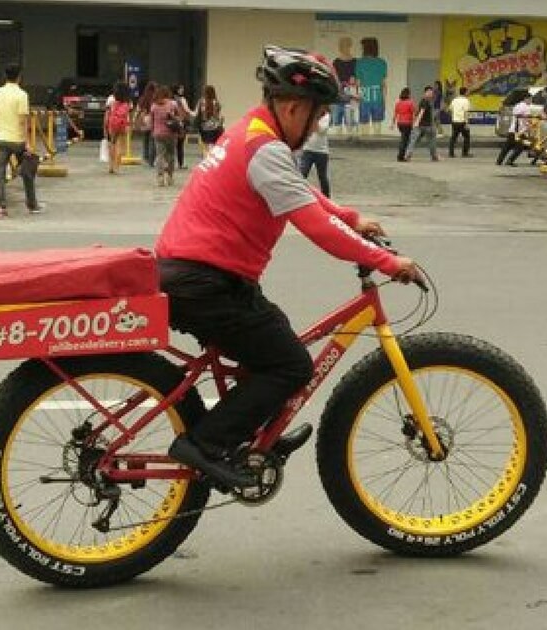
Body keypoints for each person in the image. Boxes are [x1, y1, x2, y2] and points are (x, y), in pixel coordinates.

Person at [156, 45, 423, 489]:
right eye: (318, 115)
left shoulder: (252, 130)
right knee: (291, 366)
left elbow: (297, 191)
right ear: (294, 106)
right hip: (206, 283)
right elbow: (318, 229)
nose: (319, 124)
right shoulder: (266, 148)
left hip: (202, 274)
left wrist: (350, 215)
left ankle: (255, 436)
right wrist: (387, 261)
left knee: (277, 336)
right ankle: (204, 444)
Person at [0, 62, 41, 218]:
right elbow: (23, 121)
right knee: (27, 171)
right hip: (17, 140)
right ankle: (32, 205)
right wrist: (28, 142)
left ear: (5, 76)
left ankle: (0, 207)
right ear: (19, 77)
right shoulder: (22, 95)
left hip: (0, 138)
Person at [150, 85, 181, 186]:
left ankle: (160, 177)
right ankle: (170, 176)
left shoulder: (154, 106)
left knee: (160, 155)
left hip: (158, 134)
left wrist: (152, 130)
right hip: (171, 134)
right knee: (171, 155)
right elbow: (179, 116)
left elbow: (152, 120)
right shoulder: (173, 104)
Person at [299, 110, 331, 196]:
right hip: (308, 149)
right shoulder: (309, 114)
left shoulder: (326, 116)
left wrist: (313, 121)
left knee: (322, 177)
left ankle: (327, 197)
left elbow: (322, 130)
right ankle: (298, 195)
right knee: (302, 173)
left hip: (321, 151)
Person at [404, 85, 439, 162]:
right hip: (421, 125)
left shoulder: (429, 101)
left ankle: (434, 157)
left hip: (429, 126)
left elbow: (421, 112)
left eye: (431, 93)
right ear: (425, 92)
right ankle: (407, 155)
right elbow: (421, 112)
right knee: (414, 141)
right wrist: (416, 123)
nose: (430, 94)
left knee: (431, 142)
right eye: (429, 92)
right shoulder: (424, 101)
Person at [497, 92, 532, 166]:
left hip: (512, 129)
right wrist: (530, 126)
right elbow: (527, 119)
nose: (531, 101)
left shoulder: (517, 105)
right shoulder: (526, 107)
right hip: (520, 131)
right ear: (526, 99)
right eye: (530, 99)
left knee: (507, 147)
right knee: (520, 147)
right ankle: (510, 161)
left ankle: (499, 161)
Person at [103, 82, 132, 174]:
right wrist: (129, 125)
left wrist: (105, 125)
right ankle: (117, 167)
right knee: (121, 146)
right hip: (123, 124)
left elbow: (107, 113)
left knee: (112, 143)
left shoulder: (111, 99)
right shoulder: (128, 101)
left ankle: (111, 166)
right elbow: (128, 114)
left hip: (112, 123)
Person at [195, 85, 224, 156]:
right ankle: (212, 158)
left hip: (204, 127)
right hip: (215, 127)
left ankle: (206, 159)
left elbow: (196, 113)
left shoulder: (201, 102)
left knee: (205, 145)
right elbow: (218, 116)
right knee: (213, 145)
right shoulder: (216, 102)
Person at [172, 84, 196, 169]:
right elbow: (187, 110)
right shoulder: (182, 99)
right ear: (177, 90)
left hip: (172, 123)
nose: (182, 90)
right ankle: (180, 164)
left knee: (172, 145)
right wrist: (195, 113)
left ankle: (170, 163)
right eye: (180, 89)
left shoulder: (171, 100)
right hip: (181, 124)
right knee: (180, 144)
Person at [136, 81, 158, 168]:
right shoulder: (156, 98)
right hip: (153, 120)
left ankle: (145, 157)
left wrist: (137, 119)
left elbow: (138, 109)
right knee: (153, 141)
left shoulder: (143, 98)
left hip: (144, 120)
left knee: (145, 139)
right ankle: (151, 160)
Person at [448, 86, 472, 158]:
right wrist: (467, 123)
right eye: (467, 91)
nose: (468, 93)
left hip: (454, 121)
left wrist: (453, 117)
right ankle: (465, 153)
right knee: (467, 137)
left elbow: (450, 110)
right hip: (462, 121)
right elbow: (466, 113)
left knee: (453, 137)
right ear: (465, 92)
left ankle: (451, 153)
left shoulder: (454, 100)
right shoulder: (466, 101)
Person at [391, 87, 414, 161]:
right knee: (405, 140)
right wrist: (414, 123)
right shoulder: (410, 103)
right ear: (408, 94)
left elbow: (395, 114)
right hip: (407, 123)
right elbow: (413, 113)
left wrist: (392, 124)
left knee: (404, 139)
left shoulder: (398, 103)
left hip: (400, 123)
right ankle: (401, 156)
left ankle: (401, 155)